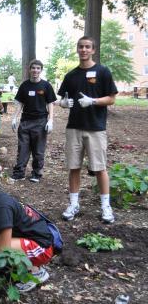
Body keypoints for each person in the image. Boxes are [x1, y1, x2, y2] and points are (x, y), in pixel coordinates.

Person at [58, 36, 117, 224]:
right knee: (73, 167)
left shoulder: (103, 72)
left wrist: (93, 101)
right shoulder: (71, 75)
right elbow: (61, 99)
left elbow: (112, 98)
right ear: (77, 49)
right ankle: (74, 204)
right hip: (74, 128)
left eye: (87, 47)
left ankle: (105, 206)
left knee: (100, 168)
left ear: (93, 50)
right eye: (81, 47)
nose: (83, 50)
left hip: (95, 128)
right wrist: (64, 103)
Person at [10, 60, 56, 183]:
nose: (35, 70)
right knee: (23, 148)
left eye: (38, 68)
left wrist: (50, 120)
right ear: (29, 69)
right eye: (33, 68)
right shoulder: (24, 86)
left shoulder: (46, 86)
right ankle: (19, 173)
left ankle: (36, 173)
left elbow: (50, 103)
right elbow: (20, 103)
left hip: (40, 121)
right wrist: (14, 117)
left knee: (38, 150)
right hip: (25, 121)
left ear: (41, 70)